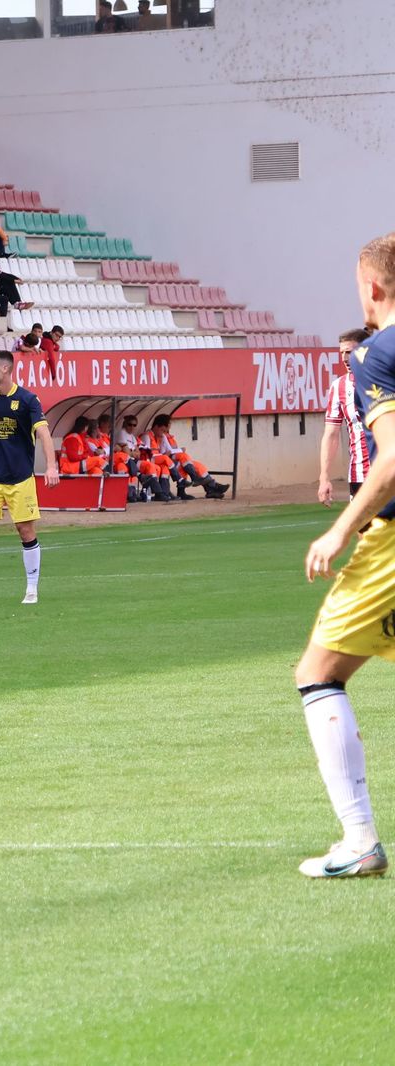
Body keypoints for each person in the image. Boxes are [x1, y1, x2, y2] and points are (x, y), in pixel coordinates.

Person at [295, 233, 395, 878]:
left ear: (373, 287)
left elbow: (394, 459)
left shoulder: (378, 352)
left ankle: (359, 839)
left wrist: (339, 531)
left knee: (319, 672)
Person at [0, 350, 59, 606]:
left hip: (20, 478)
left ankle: (31, 589)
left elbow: (43, 433)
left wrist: (51, 466)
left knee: (25, 531)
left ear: (5, 369)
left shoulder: (28, 399)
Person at [320, 328, 374, 505]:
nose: (344, 358)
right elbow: (331, 435)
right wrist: (324, 477)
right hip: (359, 475)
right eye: (342, 353)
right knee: (363, 524)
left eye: (349, 352)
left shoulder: (387, 380)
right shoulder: (339, 387)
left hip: (389, 472)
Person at [146, 414, 228, 499]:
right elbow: (160, 453)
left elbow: (169, 450)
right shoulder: (151, 436)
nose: (169, 426)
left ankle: (211, 487)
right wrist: (178, 451)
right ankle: (206, 485)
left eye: (169, 424)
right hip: (168, 460)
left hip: (170, 459)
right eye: (168, 424)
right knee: (183, 461)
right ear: (158, 426)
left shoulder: (163, 436)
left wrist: (178, 451)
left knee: (198, 466)